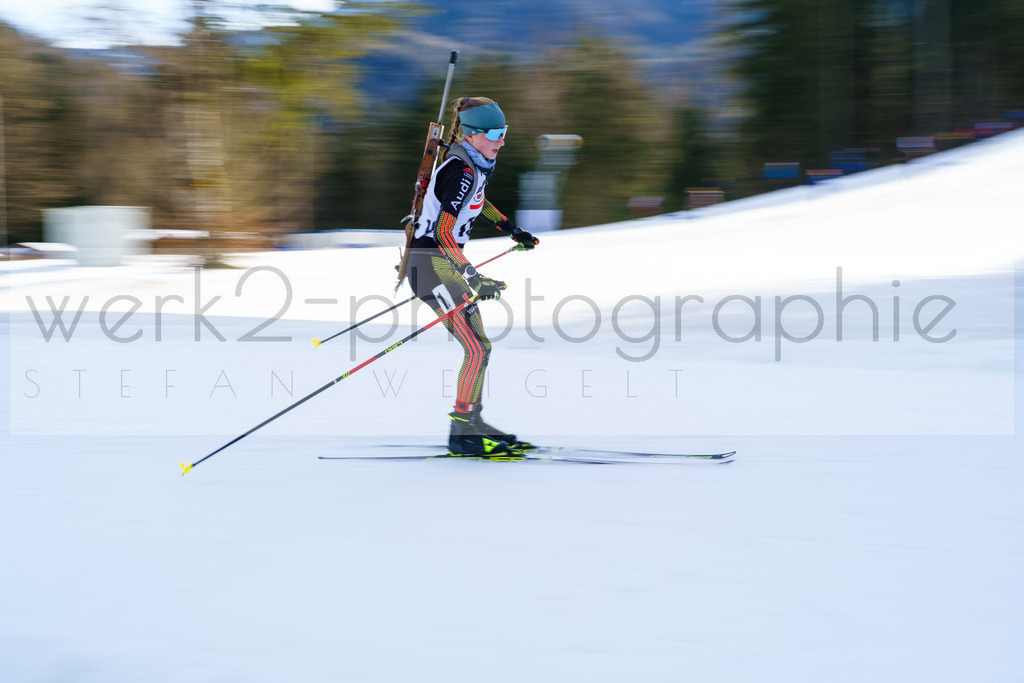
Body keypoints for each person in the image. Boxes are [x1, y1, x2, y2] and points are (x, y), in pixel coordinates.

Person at [406, 97, 539, 458]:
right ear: (473, 135)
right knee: (478, 348)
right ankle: (462, 431)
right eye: (495, 134)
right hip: (431, 266)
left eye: (504, 133)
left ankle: (471, 422)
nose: (502, 141)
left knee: (480, 347)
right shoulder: (459, 170)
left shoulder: (474, 167)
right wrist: (473, 277)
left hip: (442, 265)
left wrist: (511, 228)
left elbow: (479, 201)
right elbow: (444, 234)